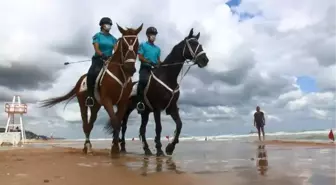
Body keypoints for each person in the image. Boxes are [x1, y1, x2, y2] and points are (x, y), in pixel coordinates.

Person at [85, 17, 118, 107]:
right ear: (102, 25)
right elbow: (96, 49)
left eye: (110, 25)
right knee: (91, 74)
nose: (109, 26)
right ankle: (90, 96)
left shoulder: (114, 39)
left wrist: (114, 57)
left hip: (110, 61)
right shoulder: (97, 36)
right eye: (107, 24)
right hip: (98, 59)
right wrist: (102, 54)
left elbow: (116, 50)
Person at [136, 26, 161, 113]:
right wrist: (150, 62)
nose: (153, 36)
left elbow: (158, 61)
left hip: (154, 69)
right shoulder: (143, 45)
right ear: (147, 35)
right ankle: (140, 102)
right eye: (152, 34)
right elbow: (140, 57)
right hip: (145, 68)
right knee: (143, 81)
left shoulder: (158, 49)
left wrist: (162, 64)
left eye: (154, 34)